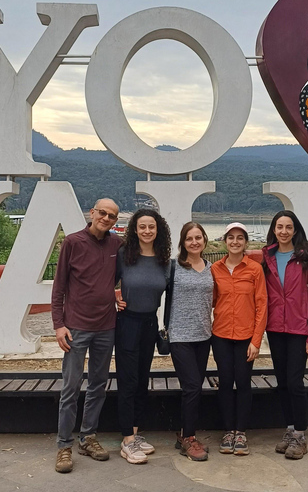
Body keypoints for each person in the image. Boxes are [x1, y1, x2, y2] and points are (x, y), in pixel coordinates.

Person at [52, 198, 121, 474]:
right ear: (92, 213)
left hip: (106, 326)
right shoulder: (72, 242)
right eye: (102, 213)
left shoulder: (116, 244)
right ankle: (64, 445)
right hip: (76, 327)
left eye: (112, 216)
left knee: (98, 385)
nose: (106, 218)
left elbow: (128, 272)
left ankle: (87, 437)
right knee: (70, 388)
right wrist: (59, 324)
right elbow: (59, 287)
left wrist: (121, 292)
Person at [261, 210, 308, 460]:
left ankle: (300, 434)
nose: (284, 231)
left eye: (288, 227)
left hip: (299, 330)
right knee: (282, 382)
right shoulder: (267, 258)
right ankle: (289, 430)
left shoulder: (307, 259)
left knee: (295, 382)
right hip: (275, 329)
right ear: (274, 230)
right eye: (279, 227)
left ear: (295, 230)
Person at [115, 208, 171, 464]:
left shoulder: (164, 260)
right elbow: (105, 283)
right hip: (127, 324)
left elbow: (170, 297)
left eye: (151, 227)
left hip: (150, 324)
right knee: (128, 381)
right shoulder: (124, 256)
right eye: (142, 227)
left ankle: (135, 433)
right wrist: (112, 299)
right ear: (134, 230)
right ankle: (126, 440)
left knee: (141, 381)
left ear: (158, 230)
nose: (147, 231)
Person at [210, 222, 267, 456]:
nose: (235, 242)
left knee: (243, 382)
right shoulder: (215, 269)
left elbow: (262, 306)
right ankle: (228, 431)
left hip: (245, 336)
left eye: (240, 238)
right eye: (231, 237)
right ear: (225, 241)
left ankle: (241, 431)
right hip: (221, 334)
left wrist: (256, 340)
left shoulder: (255, 270)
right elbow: (210, 300)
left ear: (246, 242)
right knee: (224, 382)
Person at [167, 222, 214, 462]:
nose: (194, 242)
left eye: (198, 237)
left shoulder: (210, 268)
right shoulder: (173, 268)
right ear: (182, 243)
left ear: (204, 240)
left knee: (193, 389)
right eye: (189, 238)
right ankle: (190, 438)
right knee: (193, 386)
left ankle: (184, 433)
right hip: (180, 336)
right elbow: (152, 289)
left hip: (204, 335)